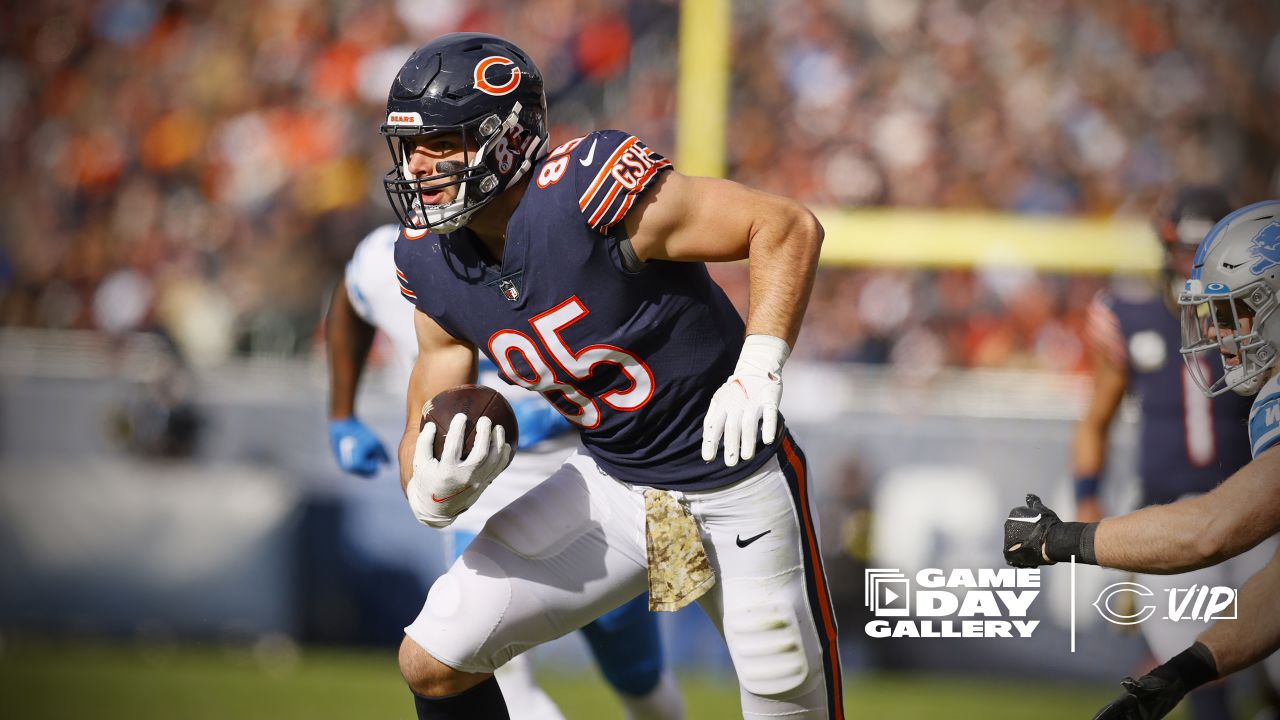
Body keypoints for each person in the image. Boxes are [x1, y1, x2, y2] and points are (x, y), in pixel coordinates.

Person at [380, 33, 839, 720]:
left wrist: (759, 365)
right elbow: (428, 411)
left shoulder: (586, 190)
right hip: (617, 485)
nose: (420, 168)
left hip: (737, 482)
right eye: (410, 147)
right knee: (433, 658)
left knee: (783, 688)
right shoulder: (429, 262)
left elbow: (784, 226)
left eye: (442, 145)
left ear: (506, 137)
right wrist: (431, 489)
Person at [326, 223, 685, 720]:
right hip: (483, 493)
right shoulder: (390, 257)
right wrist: (342, 413)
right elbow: (350, 299)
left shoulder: (557, 235)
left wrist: (564, 409)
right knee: (472, 660)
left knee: (639, 674)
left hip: (601, 476)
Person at [1004, 199, 1280, 720]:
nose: (1218, 333)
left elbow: (1213, 529)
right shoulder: (1134, 322)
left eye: (1235, 307)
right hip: (1181, 503)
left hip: (1232, 514)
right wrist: (1185, 673)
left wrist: (1065, 539)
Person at [1072, 186, 1261, 720]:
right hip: (1172, 512)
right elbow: (1095, 421)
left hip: (1256, 507)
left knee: (1266, 665)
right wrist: (1087, 500)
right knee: (1200, 667)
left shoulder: (1257, 313)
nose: (1192, 264)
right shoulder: (1127, 316)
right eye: (1185, 249)